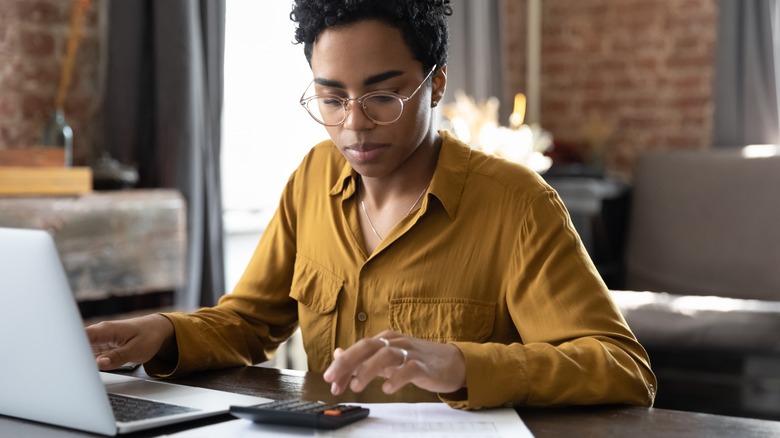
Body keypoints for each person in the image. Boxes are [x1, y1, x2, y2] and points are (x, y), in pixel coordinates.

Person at [87, 0, 656, 409]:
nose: (354, 123)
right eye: (331, 98)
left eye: (383, 95)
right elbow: (249, 324)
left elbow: (623, 367)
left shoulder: (518, 206)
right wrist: (163, 330)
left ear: (435, 86)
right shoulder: (313, 176)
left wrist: (464, 365)